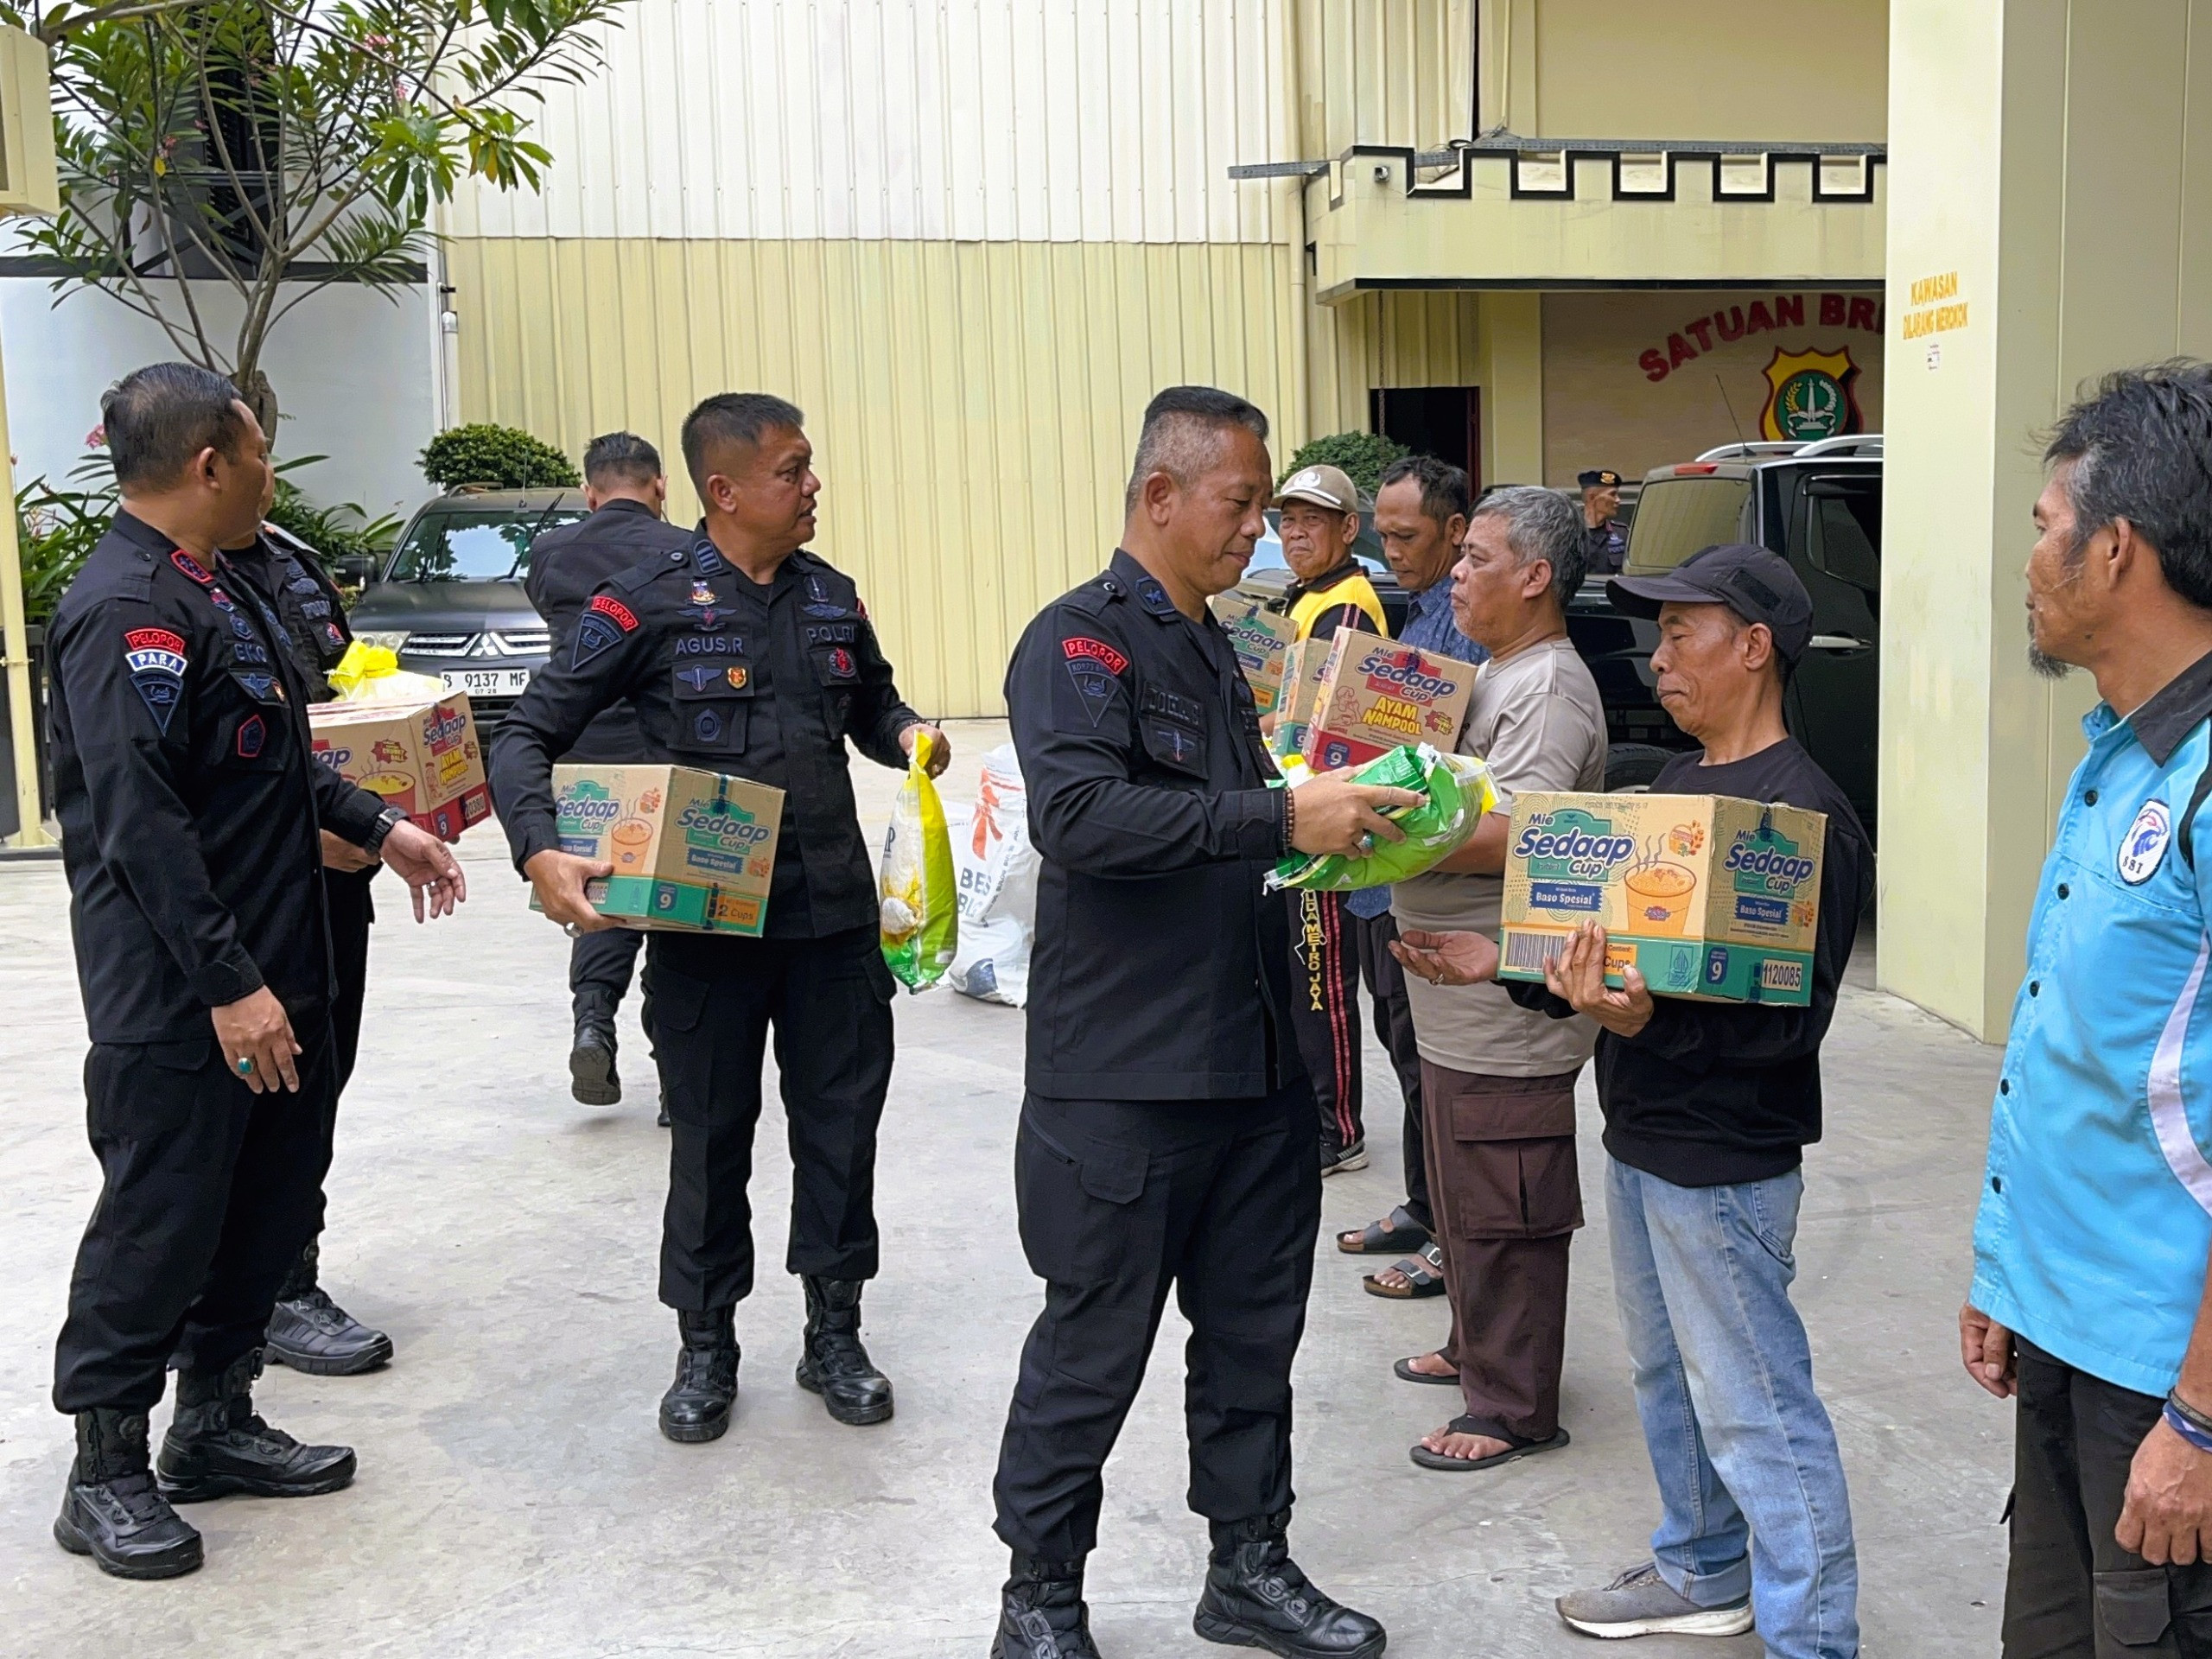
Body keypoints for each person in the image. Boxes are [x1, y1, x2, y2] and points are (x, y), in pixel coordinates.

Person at [989, 385, 1411, 1659]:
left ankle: (1248, 1567)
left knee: (1252, 1343)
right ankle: (1039, 1598)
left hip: (1254, 1067)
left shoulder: (1218, 648)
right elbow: (1080, 820)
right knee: (1091, 1352)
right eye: (1240, 504)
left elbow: (1237, 833)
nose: (1258, 533)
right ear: (1160, 495)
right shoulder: (1079, 643)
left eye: (1265, 510)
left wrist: (1338, 824)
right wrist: (1280, 817)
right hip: (1125, 1080)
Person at [1393, 543, 1869, 1656]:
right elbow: (1605, 956)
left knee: (1755, 1406)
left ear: (1754, 649)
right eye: (1660, 638)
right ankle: (1701, 1568)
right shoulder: (1671, 792)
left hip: (1727, 1161)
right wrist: (1502, 962)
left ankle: (1813, 1635)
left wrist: (1649, 1024)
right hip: (1643, 1137)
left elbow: (1787, 1028)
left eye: (1682, 635)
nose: (1659, 659)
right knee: (1668, 1377)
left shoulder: (1803, 817)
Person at [47, 363, 467, 1580]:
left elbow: (274, 761)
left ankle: (216, 1423)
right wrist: (229, 983)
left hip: (284, 962)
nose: (273, 473)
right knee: (163, 1220)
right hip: (186, 992)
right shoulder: (126, 610)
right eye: (259, 453)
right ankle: (105, 1471)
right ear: (209, 465)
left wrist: (383, 827)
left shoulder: (222, 587)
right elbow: (142, 824)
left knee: (265, 1203)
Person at [492, 393, 946, 1445]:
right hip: (710, 930)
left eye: (809, 466)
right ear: (724, 491)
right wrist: (537, 845)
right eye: (792, 471)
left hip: (833, 923)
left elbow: (873, 706)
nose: (812, 486)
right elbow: (526, 731)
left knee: (841, 1133)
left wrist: (907, 733)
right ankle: (706, 1344)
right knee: (708, 1139)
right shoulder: (645, 603)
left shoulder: (831, 597)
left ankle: (835, 1332)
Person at [1960, 362, 2212, 1655]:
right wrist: (2009, 1275)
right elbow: (2085, 1059)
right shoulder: (2120, 759)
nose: (2029, 561)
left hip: (2168, 1377)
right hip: (2070, 1332)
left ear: (2116, 549)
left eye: (2045, 525)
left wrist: (2200, 1420)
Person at [1385, 486, 1604, 1471]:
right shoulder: (1496, 674)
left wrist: (1368, 825)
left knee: (1506, 1197)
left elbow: (1523, 834)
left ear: (1535, 576)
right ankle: (1476, 1348)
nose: (1457, 576)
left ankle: (1513, 1407)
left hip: (1505, 1000)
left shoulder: (1549, 689)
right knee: (1465, 1190)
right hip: (1455, 996)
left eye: (1477, 558)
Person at [221, 509, 395, 1376]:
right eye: (252, 449)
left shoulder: (293, 564)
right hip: (243, 897)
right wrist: (300, 831)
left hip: (333, 878)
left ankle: (280, 1272)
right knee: (250, 1097)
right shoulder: (166, 588)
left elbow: (333, 706)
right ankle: (264, 1292)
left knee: (319, 1078)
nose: (264, 464)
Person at [1337, 454, 1482, 1300]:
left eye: (1406, 535)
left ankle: (1448, 1230)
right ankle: (1425, 1205)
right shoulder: (1418, 611)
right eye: (1382, 535)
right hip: (1375, 875)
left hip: (1422, 877)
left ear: (1454, 531)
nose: (1390, 551)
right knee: (1401, 1048)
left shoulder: (1465, 625)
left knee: (1433, 1066)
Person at [522, 430, 694, 1122]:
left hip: (586, 756)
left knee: (600, 897)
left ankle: (593, 1021)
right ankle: (678, 1074)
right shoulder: (687, 550)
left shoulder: (550, 553)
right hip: (668, 752)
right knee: (676, 916)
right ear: (659, 486)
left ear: (590, 493)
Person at [1274, 461, 1389, 1179]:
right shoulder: (1306, 596)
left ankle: (1337, 1129)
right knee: (1303, 973)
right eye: (1288, 520)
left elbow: (1322, 715)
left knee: (1323, 979)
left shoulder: (1346, 604)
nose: (1295, 533)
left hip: (1326, 814)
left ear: (1348, 529)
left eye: (1311, 520)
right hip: (1297, 805)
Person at [1578, 467, 1627, 575]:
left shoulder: (1622, 534)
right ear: (1592, 497)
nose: (1618, 500)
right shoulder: (1568, 534)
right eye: (1612, 494)